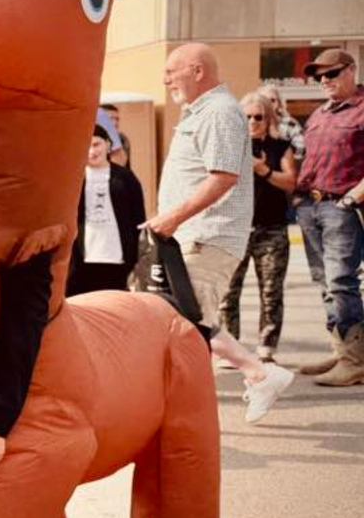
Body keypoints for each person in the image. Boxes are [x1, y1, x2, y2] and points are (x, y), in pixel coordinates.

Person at [144, 43, 294, 419]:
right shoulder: (203, 111)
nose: (165, 79)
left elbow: (224, 177)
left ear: (197, 70)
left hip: (207, 235)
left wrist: (173, 217)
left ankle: (255, 375)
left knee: (187, 324)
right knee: (185, 319)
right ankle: (257, 374)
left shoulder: (220, 112)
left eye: (171, 71)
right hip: (187, 235)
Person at [292, 47, 364, 385]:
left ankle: (355, 361)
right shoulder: (320, 113)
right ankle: (340, 352)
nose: (325, 81)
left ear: (352, 71)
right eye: (320, 76)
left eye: (332, 74)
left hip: (341, 207)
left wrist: (352, 198)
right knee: (325, 283)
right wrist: (298, 197)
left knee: (341, 282)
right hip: (311, 205)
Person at [220, 93, 297, 359]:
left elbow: (290, 182)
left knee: (271, 291)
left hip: (271, 229)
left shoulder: (280, 147)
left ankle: (266, 347)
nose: (252, 122)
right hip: (235, 228)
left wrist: (263, 170)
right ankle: (231, 348)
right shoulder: (229, 146)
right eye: (247, 116)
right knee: (228, 292)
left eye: (258, 117)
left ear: (269, 118)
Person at [68, 125, 146, 295]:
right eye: (86, 146)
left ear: (108, 145)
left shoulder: (126, 178)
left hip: (116, 259)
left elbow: (138, 219)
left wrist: (137, 257)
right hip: (81, 260)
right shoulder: (72, 178)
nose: (91, 151)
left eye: (96, 144)